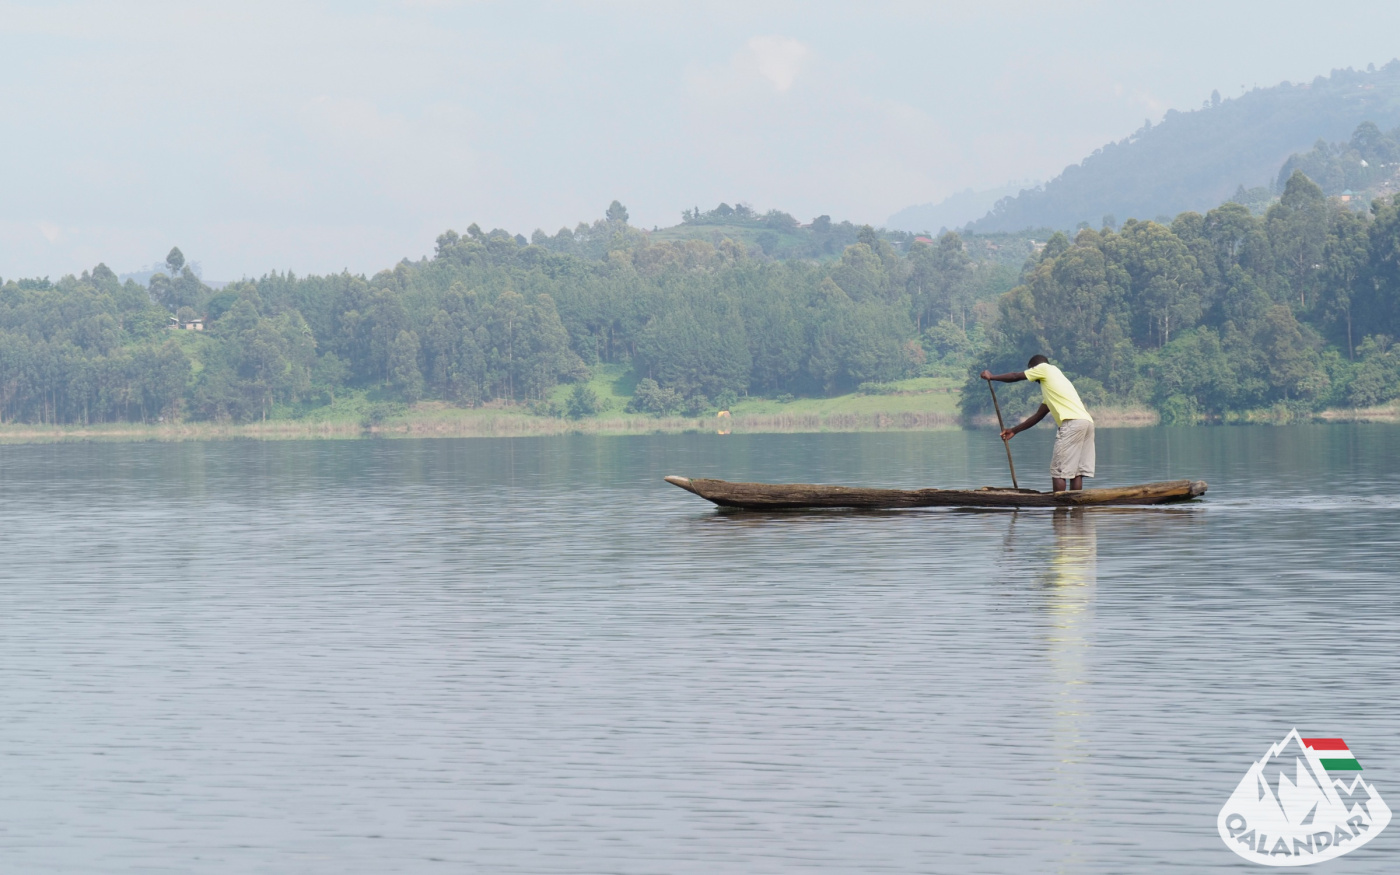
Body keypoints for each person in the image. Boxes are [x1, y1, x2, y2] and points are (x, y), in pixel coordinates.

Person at [979, 355, 1095, 492]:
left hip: (1072, 424)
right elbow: (1038, 416)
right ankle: (1077, 507)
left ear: (1034, 368)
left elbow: (1015, 376)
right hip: (1087, 423)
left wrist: (992, 377)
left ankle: (1060, 508)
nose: (1034, 381)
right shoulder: (1055, 384)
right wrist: (1014, 430)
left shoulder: (1044, 368)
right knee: (1075, 472)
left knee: (1058, 472)